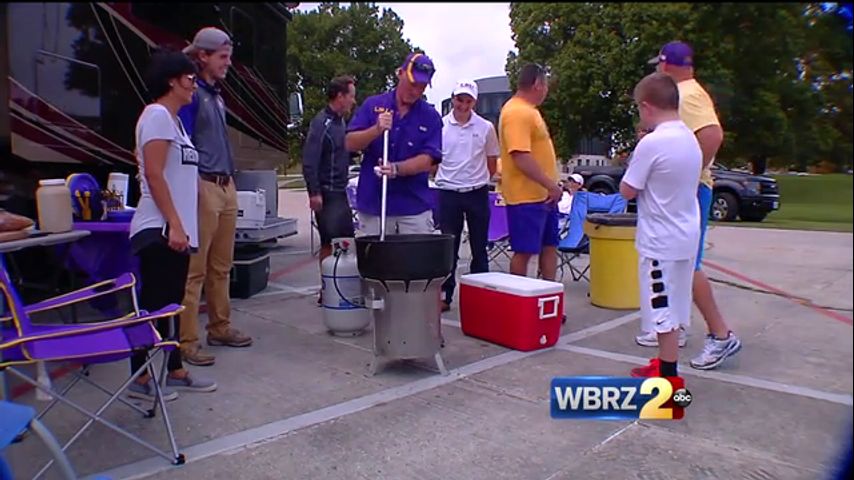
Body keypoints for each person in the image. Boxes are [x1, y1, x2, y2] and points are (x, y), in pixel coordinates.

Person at [638, 40, 742, 370]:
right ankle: (674, 328)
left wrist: (686, 173)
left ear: (667, 65)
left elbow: (712, 135)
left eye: (659, 65)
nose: (657, 70)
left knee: (685, 265)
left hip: (690, 189)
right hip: (688, 189)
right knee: (678, 266)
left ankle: (721, 334)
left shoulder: (687, 94)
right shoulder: (686, 94)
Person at [127, 49, 216, 400]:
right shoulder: (157, 115)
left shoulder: (176, 123)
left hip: (179, 230)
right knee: (153, 305)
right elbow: (154, 174)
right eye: (190, 78)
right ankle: (140, 378)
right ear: (171, 81)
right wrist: (175, 225)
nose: (194, 85)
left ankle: (174, 369)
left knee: (171, 305)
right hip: (159, 228)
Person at [619, 72, 702, 378]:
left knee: (662, 308)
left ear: (647, 106)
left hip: (660, 239)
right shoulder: (690, 139)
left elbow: (628, 189)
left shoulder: (652, 143)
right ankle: (665, 363)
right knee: (676, 303)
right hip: (686, 233)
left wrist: (636, 155)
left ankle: (668, 377)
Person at [178, 27, 252, 368]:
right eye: (223, 57)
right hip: (204, 184)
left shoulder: (216, 95)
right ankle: (186, 341)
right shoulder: (191, 94)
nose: (228, 63)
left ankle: (220, 327)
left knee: (221, 266)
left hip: (225, 185)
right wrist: (191, 184)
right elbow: (183, 141)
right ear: (203, 56)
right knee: (195, 271)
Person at [344, 52, 443, 235]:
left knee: (417, 254)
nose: (415, 91)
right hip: (375, 204)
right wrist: (376, 130)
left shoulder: (431, 117)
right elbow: (349, 143)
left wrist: (397, 169)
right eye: (412, 84)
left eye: (422, 87)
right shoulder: (373, 105)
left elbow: (429, 160)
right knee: (375, 253)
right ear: (400, 73)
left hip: (414, 206)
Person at [435, 80, 499, 311]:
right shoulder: (440, 125)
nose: (463, 105)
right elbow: (434, 158)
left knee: (480, 247)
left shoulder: (486, 127)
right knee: (448, 247)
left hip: (476, 192)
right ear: (453, 99)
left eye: (468, 101)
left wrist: (478, 179)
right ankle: (445, 295)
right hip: (448, 192)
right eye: (459, 100)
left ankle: (480, 296)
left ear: (475, 102)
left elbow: (492, 160)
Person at [497, 63, 562, 280]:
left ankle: (550, 293)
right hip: (526, 197)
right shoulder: (517, 112)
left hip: (544, 196)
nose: (546, 91)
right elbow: (520, 155)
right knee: (524, 251)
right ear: (537, 84)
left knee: (550, 246)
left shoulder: (530, 111)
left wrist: (551, 186)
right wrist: (550, 184)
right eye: (546, 85)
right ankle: (518, 296)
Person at [302, 76, 358, 303]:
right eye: (351, 96)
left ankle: (341, 286)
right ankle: (327, 290)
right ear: (340, 96)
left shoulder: (340, 122)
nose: (353, 101)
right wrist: (314, 192)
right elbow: (310, 159)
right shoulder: (321, 123)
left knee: (346, 240)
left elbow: (341, 152)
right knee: (329, 242)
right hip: (327, 191)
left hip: (340, 190)